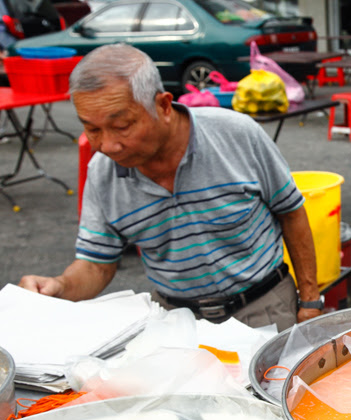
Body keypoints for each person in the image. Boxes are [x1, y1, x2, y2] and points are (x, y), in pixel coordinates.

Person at [19, 44, 323, 331]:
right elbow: (96, 265)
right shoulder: (102, 173)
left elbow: (291, 212)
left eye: (122, 126)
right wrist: (59, 287)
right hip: (175, 321)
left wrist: (310, 302)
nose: (108, 145)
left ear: (164, 106)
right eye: (92, 129)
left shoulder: (236, 135)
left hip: (264, 306)